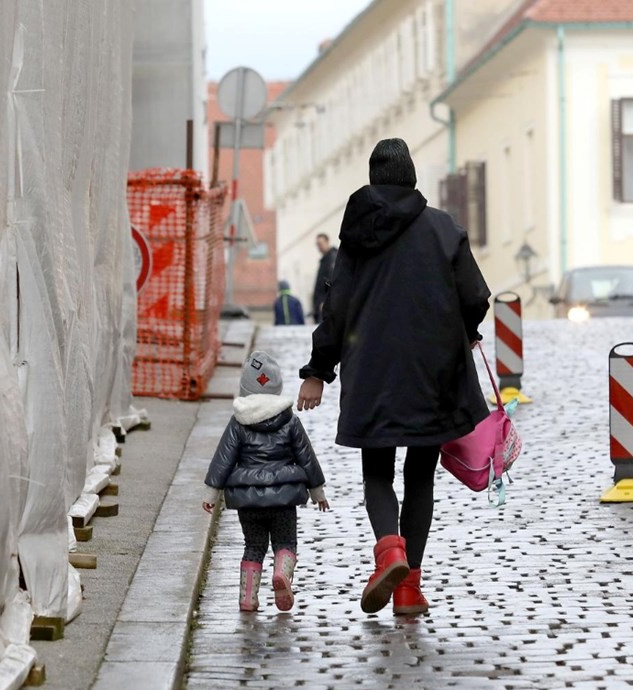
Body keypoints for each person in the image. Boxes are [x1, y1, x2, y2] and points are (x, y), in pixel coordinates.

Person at [296, 138, 491, 616]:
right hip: (433, 372)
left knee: (377, 473)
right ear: (412, 177)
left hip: (372, 371)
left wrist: (318, 371)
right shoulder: (443, 228)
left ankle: (389, 552)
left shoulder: (356, 235)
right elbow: (474, 296)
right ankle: (408, 589)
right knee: (420, 476)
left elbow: (336, 309)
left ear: (373, 179)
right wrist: (465, 332)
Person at [203, 350, 329, 613]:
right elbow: (306, 456)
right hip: (284, 500)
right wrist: (317, 491)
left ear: (245, 386)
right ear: (277, 385)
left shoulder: (238, 422)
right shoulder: (289, 420)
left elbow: (223, 458)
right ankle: (281, 572)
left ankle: (248, 598)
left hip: (248, 501)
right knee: (286, 543)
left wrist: (212, 493)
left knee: (253, 546)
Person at [311, 233, 337, 323]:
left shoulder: (332, 258)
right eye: (317, 244)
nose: (319, 247)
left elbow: (331, 281)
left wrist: (325, 301)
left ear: (327, 242)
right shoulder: (325, 259)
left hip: (326, 305)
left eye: (320, 244)